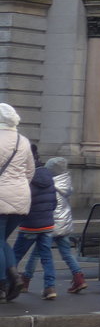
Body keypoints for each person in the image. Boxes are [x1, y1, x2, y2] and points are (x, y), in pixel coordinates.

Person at [18, 156, 86, 295]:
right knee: (67, 253)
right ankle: (78, 277)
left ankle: (26, 280)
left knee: (36, 254)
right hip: (64, 224)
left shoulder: (48, 182)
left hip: (49, 224)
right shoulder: (66, 182)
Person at [0, 102, 35, 303]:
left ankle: (3, 283)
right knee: (2, 241)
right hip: (21, 197)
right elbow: (30, 171)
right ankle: (14, 276)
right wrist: (18, 188)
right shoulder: (23, 141)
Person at [11, 145, 57, 299]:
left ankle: (10, 283)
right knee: (47, 257)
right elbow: (54, 202)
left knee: (15, 255)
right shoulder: (47, 174)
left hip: (30, 224)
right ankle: (50, 288)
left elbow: (22, 200)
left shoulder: (26, 176)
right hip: (47, 224)